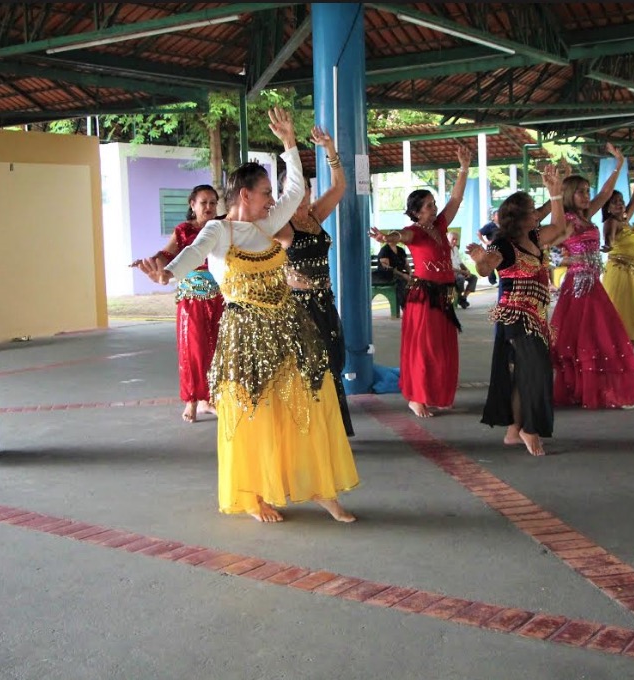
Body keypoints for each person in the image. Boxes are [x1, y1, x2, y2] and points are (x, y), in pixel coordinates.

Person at [137, 107, 358, 523]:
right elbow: (191, 255)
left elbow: (295, 191)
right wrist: (165, 273)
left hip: (289, 326)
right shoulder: (218, 231)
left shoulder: (268, 223)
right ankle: (254, 495)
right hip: (245, 332)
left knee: (310, 402)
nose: (272, 202)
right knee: (253, 414)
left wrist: (291, 144)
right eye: (264, 195)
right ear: (245, 196)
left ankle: (320, 488)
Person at [467, 165, 569, 456]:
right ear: (520, 218)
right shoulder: (505, 244)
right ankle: (529, 428)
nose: (537, 214)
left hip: (538, 316)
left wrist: (556, 193)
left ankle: (514, 431)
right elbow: (488, 266)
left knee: (525, 371)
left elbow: (560, 228)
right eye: (532, 211)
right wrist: (479, 259)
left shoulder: (534, 237)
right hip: (516, 317)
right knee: (537, 370)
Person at [370, 145, 472, 418]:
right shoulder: (414, 232)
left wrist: (463, 168)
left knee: (443, 347)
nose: (435, 207)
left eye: (434, 203)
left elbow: (457, 198)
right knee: (423, 348)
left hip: (445, 295)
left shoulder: (439, 226)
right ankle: (416, 397)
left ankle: (436, 393)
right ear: (416, 212)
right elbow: (398, 236)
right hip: (424, 297)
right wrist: (386, 238)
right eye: (429, 205)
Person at [548, 143, 634, 410]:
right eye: (580, 192)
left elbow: (606, 192)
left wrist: (619, 164)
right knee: (586, 337)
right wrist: (571, 259)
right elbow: (551, 251)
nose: (587, 196)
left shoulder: (586, 216)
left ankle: (597, 389)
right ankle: (582, 389)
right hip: (577, 285)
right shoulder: (566, 220)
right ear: (569, 195)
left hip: (593, 283)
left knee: (601, 335)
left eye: (587, 191)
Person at [283, 125, 355, 436]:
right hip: (297, 307)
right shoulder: (278, 224)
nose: (301, 196)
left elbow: (340, 187)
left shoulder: (313, 216)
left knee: (333, 360)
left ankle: (331, 426)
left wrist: (330, 149)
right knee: (306, 365)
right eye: (294, 190)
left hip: (324, 301)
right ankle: (308, 429)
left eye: (306, 191)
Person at [131, 185, 224, 423]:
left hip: (219, 297)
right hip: (192, 299)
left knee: (216, 349)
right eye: (204, 202)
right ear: (192, 205)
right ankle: (192, 400)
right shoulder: (183, 231)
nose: (209, 207)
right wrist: (153, 262)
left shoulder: (222, 227)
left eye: (213, 202)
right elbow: (166, 254)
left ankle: (209, 399)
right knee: (193, 350)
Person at [601, 157, 634, 353]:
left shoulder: (626, 219)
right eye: (614, 202)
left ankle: (628, 354)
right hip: (621, 273)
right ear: (608, 207)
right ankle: (620, 354)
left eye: (621, 201)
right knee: (624, 314)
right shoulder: (611, 223)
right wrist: (607, 246)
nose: (620, 204)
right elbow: (609, 240)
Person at [373, 240, 411, 316]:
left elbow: (406, 265)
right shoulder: (385, 250)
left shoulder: (400, 250)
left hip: (400, 273)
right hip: (386, 275)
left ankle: (413, 307)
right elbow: (389, 268)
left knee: (416, 282)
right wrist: (403, 275)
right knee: (402, 282)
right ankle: (405, 309)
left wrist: (410, 274)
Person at [448, 230, 478, 308]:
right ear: (448, 239)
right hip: (450, 272)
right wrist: (462, 271)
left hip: (458, 271)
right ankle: (459, 297)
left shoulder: (455, 249)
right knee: (460, 278)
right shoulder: (445, 250)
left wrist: (467, 270)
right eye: (453, 239)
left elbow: (460, 263)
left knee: (473, 278)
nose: (455, 241)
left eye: (456, 239)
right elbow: (449, 267)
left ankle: (463, 298)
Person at [478, 210, 499, 285]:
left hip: (501, 247)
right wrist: (485, 242)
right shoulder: (489, 226)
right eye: (498, 215)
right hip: (492, 248)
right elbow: (479, 233)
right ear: (493, 217)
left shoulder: (503, 225)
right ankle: (492, 281)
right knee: (491, 264)